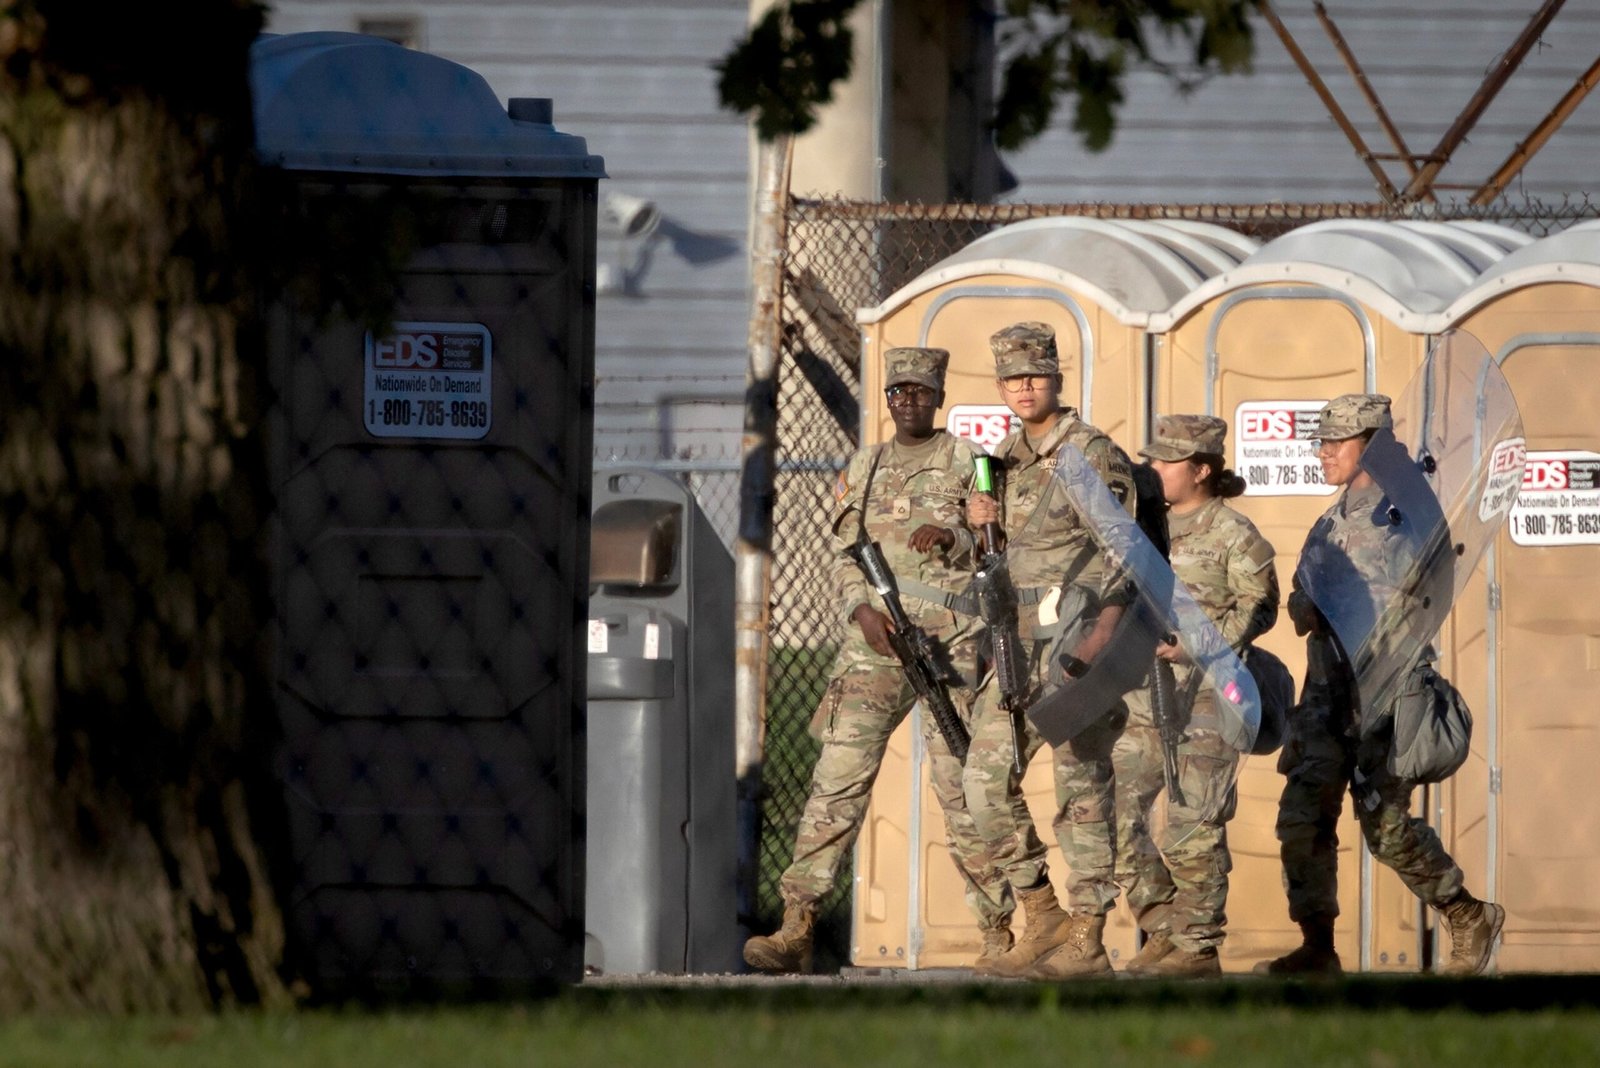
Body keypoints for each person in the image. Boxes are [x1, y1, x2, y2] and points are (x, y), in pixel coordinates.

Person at [743, 346, 1021, 974]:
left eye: (920, 391)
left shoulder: (971, 461)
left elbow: (996, 542)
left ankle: (998, 932)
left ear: (939, 397)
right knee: (837, 781)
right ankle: (797, 924)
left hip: (949, 643)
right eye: (899, 391)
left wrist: (954, 536)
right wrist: (860, 612)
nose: (908, 401)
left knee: (963, 789)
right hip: (876, 646)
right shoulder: (865, 466)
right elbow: (845, 552)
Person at [1257, 393, 1504, 976]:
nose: (1323, 453)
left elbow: (1434, 580)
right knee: (1303, 818)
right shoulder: (1330, 519)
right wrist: (1308, 606)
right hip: (1326, 696)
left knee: (1387, 830)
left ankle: (1466, 913)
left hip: (1384, 695)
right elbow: (1301, 596)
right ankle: (1318, 946)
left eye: (1335, 442)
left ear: (1370, 446)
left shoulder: (1405, 513)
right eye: (1320, 442)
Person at [962, 322, 1137, 979]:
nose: (1024, 387)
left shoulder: (1087, 452)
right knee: (982, 783)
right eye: (1012, 378)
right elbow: (994, 559)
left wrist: (1100, 637)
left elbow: (1125, 550)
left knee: (1081, 788)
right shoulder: (1001, 460)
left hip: (1074, 639)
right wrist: (977, 526)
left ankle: (1087, 937)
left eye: (1035, 375)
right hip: (1016, 642)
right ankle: (1042, 914)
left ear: (1057, 379)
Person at [1107, 415, 1279, 978]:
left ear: (1201, 470)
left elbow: (1260, 608)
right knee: (1110, 807)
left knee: (1191, 821)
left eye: (1166, 461)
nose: (1153, 469)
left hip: (1209, 695)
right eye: (1151, 459)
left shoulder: (1234, 533)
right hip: (1144, 695)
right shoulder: (1143, 528)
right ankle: (1164, 926)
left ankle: (1198, 946)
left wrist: (1196, 645)